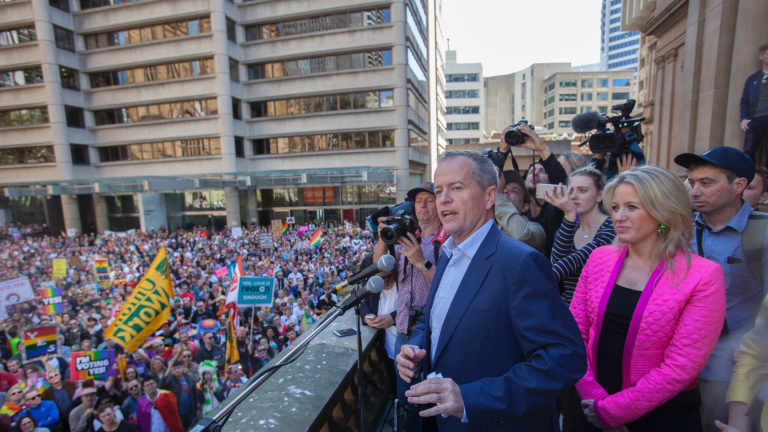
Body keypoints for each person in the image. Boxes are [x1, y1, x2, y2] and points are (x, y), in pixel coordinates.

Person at [396, 150, 586, 431]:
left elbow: (564, 358)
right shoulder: (447, 254)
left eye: (457, 188)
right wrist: (415, 346)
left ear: (489, 197)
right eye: (439, 191)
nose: (443, 200)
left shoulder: (520, 263)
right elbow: (434, 320)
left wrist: (470, 399)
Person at [570, 165, 726, 431]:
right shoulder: (600, 258)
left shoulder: (703, 276)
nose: (619, 216)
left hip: (661, 416)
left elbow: (681, 367)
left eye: (632, 207)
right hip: (588, 408)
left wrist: (614, 410)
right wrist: (593, 398)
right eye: (615, 207)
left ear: (662, 211)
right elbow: (573, 333)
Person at [675, 146, 768, 432]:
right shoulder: (681, 227)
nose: (695, 191)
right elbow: (656, 230)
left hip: (734, 370)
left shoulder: (762, 233)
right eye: (692, 183)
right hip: (681, 364)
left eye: (707, 183)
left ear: (739, 185)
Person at [373, 182, 441, 397]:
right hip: (402, 327)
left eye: (429, 201)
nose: (423, 206)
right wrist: (382, 238)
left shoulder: (445, 241)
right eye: (419, 201)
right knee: (405, 394)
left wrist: (421, 261)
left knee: (427, 392)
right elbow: (381, 270)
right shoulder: (406, 238)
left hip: (430, 329)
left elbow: (446, 285)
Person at [545, 167, 616, 304]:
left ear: (600, 195)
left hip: (598, 309)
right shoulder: (568, 225)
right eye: (570, 190)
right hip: (568, 310)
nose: (573, 196)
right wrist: (569, 216)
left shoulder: (612, 226)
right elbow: (557, 261)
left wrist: (536, 278)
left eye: (582, 191)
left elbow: (578, 260)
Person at [494, 170, 546, 252]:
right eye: (503, 189)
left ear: (525, 207)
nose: (505, 191)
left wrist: (499, 195)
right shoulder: (488, 225)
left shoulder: (537, 230)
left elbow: (520, 235)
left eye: (514, 190)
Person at [740, 43, 768, 166]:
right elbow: (744, 100)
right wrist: (743, 119)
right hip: (755, 119)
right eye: (767, 54)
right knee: (748, 152)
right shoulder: (752, 79)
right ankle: (747, 178)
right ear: (761, 56)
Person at [160, 361, 200, 429]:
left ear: (182, 368)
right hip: (178, 413)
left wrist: (198, 408)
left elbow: (195, 394)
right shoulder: (170, 380)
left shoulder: (189, 378)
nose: (177, 370)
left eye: (178, 368)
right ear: (172, 370)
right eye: (174, 368)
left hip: (191, 411)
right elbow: (161, 386)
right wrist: (167, 372)